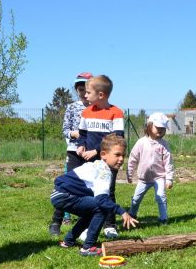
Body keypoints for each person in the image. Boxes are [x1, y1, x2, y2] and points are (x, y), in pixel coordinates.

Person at [51, 134, 138, 256]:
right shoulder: (103, 171)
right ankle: (88, 247)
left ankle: (68, 241)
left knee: (91, 212)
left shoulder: (98, 165)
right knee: (101, 208)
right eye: (117, 155)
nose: (121, 159)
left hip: (59, 194)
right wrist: (122, 212)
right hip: (64, 195)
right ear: (103, 155)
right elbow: (102, 199)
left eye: (123, 155)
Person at [76, 75, 125, 238]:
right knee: (88, 192)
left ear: (101, 95)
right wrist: (81, 145)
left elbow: (117, 136)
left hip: (108, 161)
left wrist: (96, 151)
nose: (85, 95)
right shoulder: (86, 112)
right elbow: (82, 133)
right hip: (90, 161)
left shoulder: (116, 113)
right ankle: (86, 226)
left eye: (89, 92)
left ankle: (110, 225)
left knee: (107, 191)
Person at [49, 72, 92, 236]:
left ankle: (91, 220)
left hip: (91, 152)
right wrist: (75, 134)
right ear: (77, 90)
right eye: (80, 89)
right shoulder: (72, 107)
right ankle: (56, 221)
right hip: (74, 151)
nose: (83, 92)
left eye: (86, 89)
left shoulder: (97, 108)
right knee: (68, 185)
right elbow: (65, 130)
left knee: (91, 187)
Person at [126, 112, 174, 225]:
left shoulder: (164, 145)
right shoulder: (141, 142)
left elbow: (169, 162)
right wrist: (129, 174)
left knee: (161, 196)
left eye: (163, 128)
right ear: (149, 126)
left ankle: (163, 218)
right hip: (144, 179)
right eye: (158, 127)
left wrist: (169, 179)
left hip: (159, 177)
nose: (160, 130)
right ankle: (132, 214)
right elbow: (133, 158)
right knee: (136, 198)